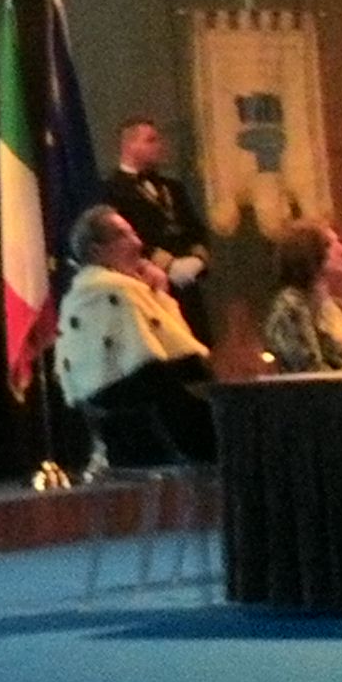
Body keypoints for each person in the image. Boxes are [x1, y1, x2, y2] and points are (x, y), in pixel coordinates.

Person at [51, 206, 216, 464]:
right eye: (123, 236)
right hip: (140, 425)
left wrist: (157, 291)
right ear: (97, 251)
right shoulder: (111, 290)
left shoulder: (99, 290)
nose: (138, 243)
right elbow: (165, 362)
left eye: (134, 234)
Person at [101, 119, 212, 343]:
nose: (159, 145)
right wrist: (167, 264)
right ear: (129, 145)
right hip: (147, 288)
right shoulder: (110, 190)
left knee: (195, 346)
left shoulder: (173, 187)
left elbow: (195, 228)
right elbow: (120, 239)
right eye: (150, 140)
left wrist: (198, 259)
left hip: (186, 288)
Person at [260, 220, 342, 375]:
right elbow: (307, 371)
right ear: (310, 253)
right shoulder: (291, 307)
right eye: (331, 245)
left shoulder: (337, 307)